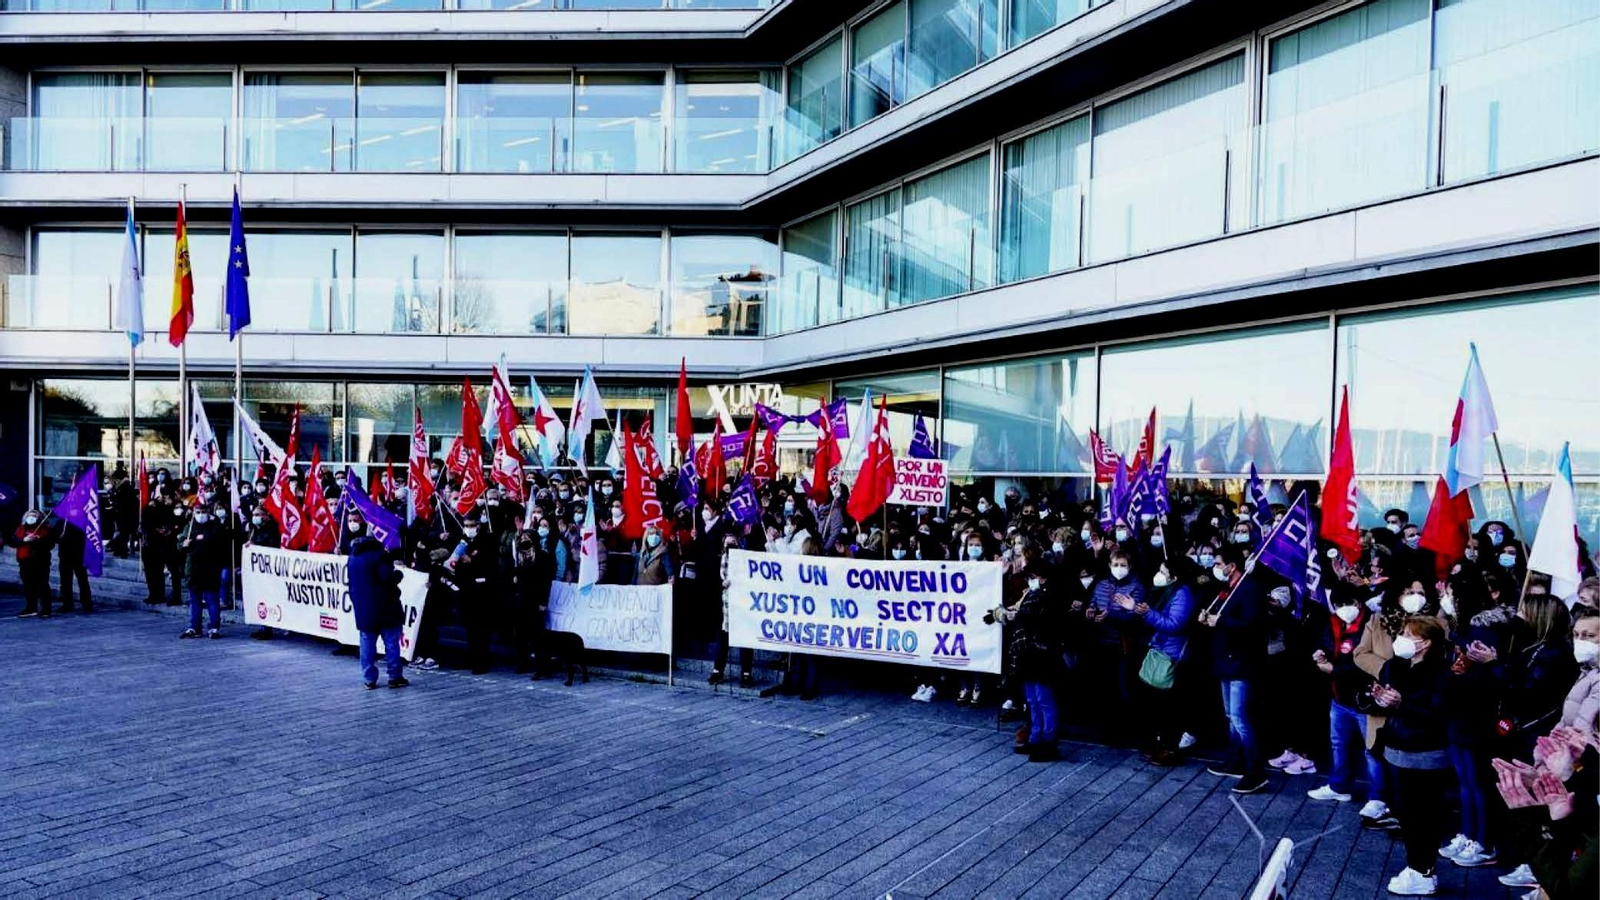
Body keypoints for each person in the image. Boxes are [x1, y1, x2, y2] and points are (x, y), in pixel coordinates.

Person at [1365, 616, 1452, 896]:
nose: (1400, 638)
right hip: (1396, 750)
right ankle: (1416, 866)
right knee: (1406, 813)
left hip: (1425, 755)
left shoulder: (1441, 673)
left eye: (1406, 633)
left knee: (1422, 816)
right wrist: (1379, 698)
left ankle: (1423, 870)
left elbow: (1437, 715)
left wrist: (1403, 704)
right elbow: (1386, 694)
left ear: (1425, 642)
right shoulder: (1398, 666)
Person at [1199, 543, 1269, 794]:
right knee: (1230, 715)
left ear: (1231, 566)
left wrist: (1222, 620)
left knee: (1240, 716)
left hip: (1242, 660)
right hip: (1225, 659)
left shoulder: (1249, 588)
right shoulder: (1226, 588)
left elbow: (1253, 624)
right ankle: (1235, 759)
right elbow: (1220, 612)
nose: (1215, 568)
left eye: (1218, 564)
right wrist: (1208, 617)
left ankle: (1255, 769)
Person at [1130, 557, 1198, 765]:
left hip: (1172, 653)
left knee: (1167, 705)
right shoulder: (1164, 590)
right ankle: (1154, 743)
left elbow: (1174, 624)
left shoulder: (1182, 593)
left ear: (1174, 577)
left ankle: (1169, 748)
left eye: (1163, 571)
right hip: (1158, 648)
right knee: (1151, 702)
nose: (1158, 575)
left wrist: (1148, 613)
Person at [1010, 561, 1062, 761]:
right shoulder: (1030, 595)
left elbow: (1040, 622)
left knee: (1044, 700)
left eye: (1034, 577)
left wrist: (1018, 616)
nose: (1031, 581)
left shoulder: (1050, 596)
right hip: (1028, 653)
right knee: (1032, 699)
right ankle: (1035, 738)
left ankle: (1049, 742)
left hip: (1042, 652)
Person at [348, 533, 408, 690]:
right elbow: (387, 579)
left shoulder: (353, 556)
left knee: (367, 643)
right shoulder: (380, 556)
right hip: (385, 606)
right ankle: (394, 676)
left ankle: (369, 678)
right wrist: (398, 574)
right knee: (391, 642)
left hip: (364, 608)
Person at [180, 503, 227, 639]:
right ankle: (195, 627)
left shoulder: (216, 527)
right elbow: (180, 544)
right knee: (195, 600)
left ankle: (214, 627)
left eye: (203, 511)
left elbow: (220, 544)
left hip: (210, 569)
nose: (200, 515)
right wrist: (183, 544)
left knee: (212, 600)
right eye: (198, 512)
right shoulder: (190, 527)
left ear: (208, 512)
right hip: (193, 569)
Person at [11, 509, 56, 618]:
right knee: (28, 585)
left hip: (40, 561)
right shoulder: (20, 529)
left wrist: (37, 540)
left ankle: (46, 608)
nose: (31, 517)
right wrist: (24, 540)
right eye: (29, 515)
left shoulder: (45, 529)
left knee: (42, 584)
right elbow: (13, 542)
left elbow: (50, 545)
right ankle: (31, 607)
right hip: (25, 561)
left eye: (34, 515)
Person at [56, 518, 92, 614]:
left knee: (82, 580)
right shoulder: (62, 522)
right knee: (65, 581)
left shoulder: (82, 521)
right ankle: (67, 604)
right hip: (64, 555)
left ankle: (87, 603)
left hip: (79, 556)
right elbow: (55, 535)